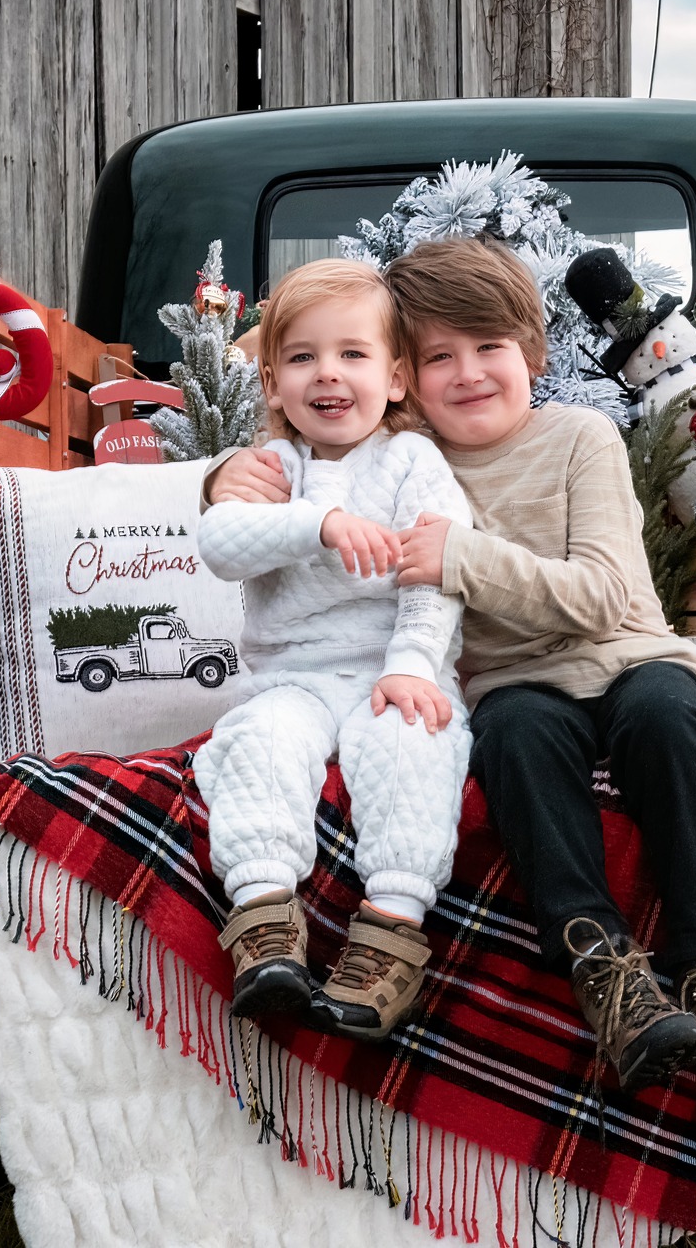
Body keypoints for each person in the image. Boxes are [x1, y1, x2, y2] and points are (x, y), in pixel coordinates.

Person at [205, 238, 696, 1091]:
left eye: (490, 348)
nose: (469, 373)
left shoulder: (579, 437)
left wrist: (459, 556)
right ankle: (604, 969)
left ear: (532, 352)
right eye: (439, 355)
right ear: (404, 374)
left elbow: (601, 597)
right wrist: (225, 475)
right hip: (515, 684)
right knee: (515, 737)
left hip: (627, 653)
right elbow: (313, 460)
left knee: (669, 719)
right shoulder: (410, 458)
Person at [194, 258, 471, 1042]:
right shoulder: (277, 468)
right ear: (275, 385)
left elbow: (436, 570)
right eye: (303, 357)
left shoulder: (411, 462)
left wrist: (414, 663)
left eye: (353, 354)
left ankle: (389, 932)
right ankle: (264, 922)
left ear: (394, 380)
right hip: (296, 674)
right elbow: (221, 543)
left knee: (412, 744)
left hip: (391, 666)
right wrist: (317, 522)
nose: (329, 374)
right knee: (260, 742)